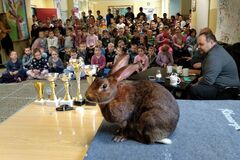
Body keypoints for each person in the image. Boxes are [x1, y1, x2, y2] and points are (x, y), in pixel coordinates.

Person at [189, 28, 240, 100]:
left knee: (194, 90)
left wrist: (198, 82)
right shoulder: (216, 49)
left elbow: (208, 80)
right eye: (198, 45)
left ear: (211, 42)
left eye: (201, 44)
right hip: (222, 85)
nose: (199, 47)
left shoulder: (214, 55)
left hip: (227, 89)